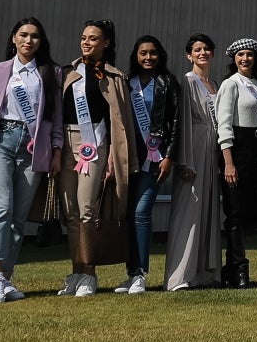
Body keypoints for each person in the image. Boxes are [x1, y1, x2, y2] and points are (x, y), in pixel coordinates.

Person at [0, 19, 61, 303]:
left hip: (33, 147)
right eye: (23, 35)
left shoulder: (51, 73)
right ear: (13, 38)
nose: (29, 40)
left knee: (18, 216)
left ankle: (5, 279)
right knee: (1, 207)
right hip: (0, 141)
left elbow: (56, 117)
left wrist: (57, 149)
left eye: (35, 36)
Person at [57, 21, 136, 298]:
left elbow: (119, 121)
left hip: (94, 146)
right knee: (71, 214)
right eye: (83, 38)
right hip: (66, 143)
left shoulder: (114, 77)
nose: (86, 42)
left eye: (93, 38)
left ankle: (89, 272)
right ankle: (76, 270)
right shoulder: (67, 73)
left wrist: (115, 155)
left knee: (87, 208)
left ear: (106, 43)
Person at [164, 33, 224, 292]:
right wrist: (185, 161)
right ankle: (179, 276)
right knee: (188, 213)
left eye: (207, 49)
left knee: (208, 211)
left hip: (212, 151)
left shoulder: (214, 84)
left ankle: (203, 273)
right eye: (197, 50)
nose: (203, 53)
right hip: (194, 150)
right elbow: (183, 124)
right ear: (189, 55)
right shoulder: (187, 82)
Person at [119, 36, 178, 295]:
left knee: (142, 213)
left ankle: (141, 273)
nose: (148, 57)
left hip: (154, 158)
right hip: (126, 157)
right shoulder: (125, 82)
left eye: (153, 53)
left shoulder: (167, 82)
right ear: (136, 55)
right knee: (127, 216)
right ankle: (131, 273)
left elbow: (175, 122)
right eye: (143, 53)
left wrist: (169, 156)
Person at [214, 39, 257, 289]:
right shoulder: (230, 84)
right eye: (240, 55)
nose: (244, 59)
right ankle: (237, 268)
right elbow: (223, 124)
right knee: (235, 212)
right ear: (234, 59)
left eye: (249, 54)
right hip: (236, 149)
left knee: (250, 210)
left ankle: (234, 267)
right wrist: (228, 162)